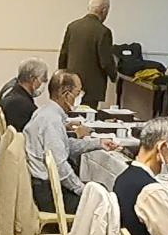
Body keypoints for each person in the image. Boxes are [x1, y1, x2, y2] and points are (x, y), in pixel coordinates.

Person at [25, 70, 115, 215]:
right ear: (66, 95)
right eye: (78, 93)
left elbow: (65, 145)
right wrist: (81, 190)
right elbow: (59, 165)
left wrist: (97, 143)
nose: (80, 97)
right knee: (105, 202)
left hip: (45, 186)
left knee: (99, 189)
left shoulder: (46, 113)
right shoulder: (51, 121)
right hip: (49, 193)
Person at [58, 0, 117, 107]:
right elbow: (105, 62)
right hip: (92, 88)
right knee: (88, 115)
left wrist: (62, 79)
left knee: (69, 113)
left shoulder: (72, 26)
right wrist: (114, 76)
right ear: (104, 10)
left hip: (70, 85)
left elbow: (63, 55)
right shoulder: (103, 31)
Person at [0, 57, 47, 132]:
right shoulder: (23, 105)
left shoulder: (10, 92)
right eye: (43, 79)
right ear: (33, 79)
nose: (43, 84)